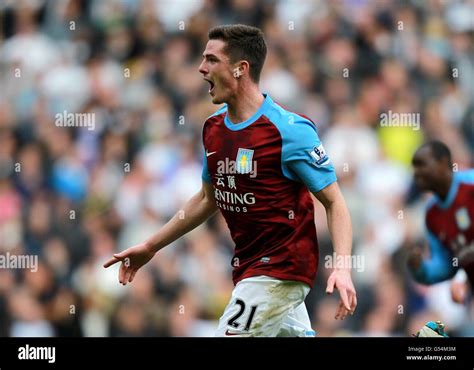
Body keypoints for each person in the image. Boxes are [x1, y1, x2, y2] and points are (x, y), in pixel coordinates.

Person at [104, 24, 357, 337]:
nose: (201, 68)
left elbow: (335, 202)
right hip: (250, 268)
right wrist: (150, 246)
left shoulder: (289, 130)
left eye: (211, 60)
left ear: (241, 69)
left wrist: (343, 266)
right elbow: (206, 199)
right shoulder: (213, 129)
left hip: (280, 268)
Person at [408, 141, 474, 304]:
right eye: (414, 167)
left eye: (422, 165)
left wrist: (462, 279)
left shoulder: (470, 184)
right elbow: (446, 264)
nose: (417, 173)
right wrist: (421, 270)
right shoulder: (432, 215)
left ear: (443, 162)